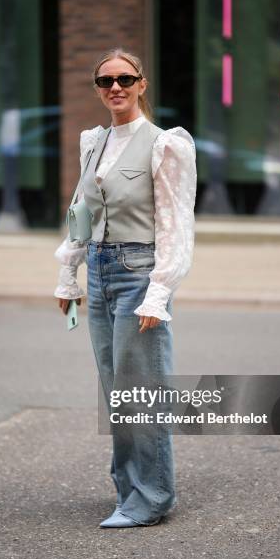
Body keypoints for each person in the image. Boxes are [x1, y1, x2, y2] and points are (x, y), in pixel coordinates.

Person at [54, 47, 197, 528]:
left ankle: (151, 497)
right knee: (118, 389)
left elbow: (176, 223)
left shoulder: (165, 143)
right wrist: (68, 273)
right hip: (98, 268)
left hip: (139, 271)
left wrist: (159, 292)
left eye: (124, 79)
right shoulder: (93, 141)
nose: (115, 87)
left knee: (142, 389)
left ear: (142, 84)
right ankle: (129, 489)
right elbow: (81, 212)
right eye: (105, 81)